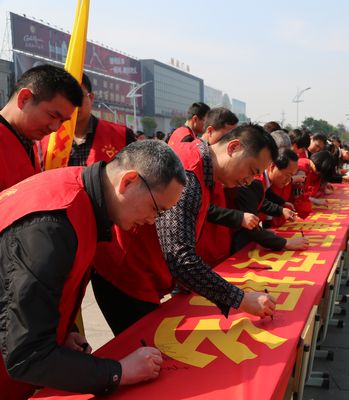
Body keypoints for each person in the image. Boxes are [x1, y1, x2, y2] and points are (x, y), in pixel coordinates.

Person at [0, 140, 186, 399]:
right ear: (128, 181)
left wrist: (64, 331)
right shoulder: (52, 226)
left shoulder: (81, 193)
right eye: (156, 209)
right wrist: (120, 371)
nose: (152, 221)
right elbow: (27, 354)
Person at [92, 124, 279, 335]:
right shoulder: (188, 174)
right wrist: (242, 299)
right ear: (233, 147)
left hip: (143, 273)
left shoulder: (203, 169)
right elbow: (180, 258)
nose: (249, 181)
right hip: (126, 276)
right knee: (150, 346)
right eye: (252, 171)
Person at [0, 64, 83, 191]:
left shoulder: (27, 142)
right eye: (52, 116)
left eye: (62, 121)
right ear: (24, 98)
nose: (55, 128)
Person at [39, 73, 136, 167]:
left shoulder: (122, 135)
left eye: (78, 97)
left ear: (91, 97)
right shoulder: (44, 139)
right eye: (66, 98)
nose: (74, 105)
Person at [231, 149, 308, 252]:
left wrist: (281, 210)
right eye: (287, 175)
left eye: (291, 176)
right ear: (272, 166)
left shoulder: (263, 182)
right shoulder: (252, 181)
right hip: (233, 241)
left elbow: (261, 201)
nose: (288, 181)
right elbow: (251, 227)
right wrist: (286, 243)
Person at [196, 107, 245, 266]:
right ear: (210, 131)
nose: (230, 143)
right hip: (202, 240)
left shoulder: (217, 161)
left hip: (218, 235)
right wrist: (238, 218)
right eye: (226, 136)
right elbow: (200, 206)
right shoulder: (194, 161)